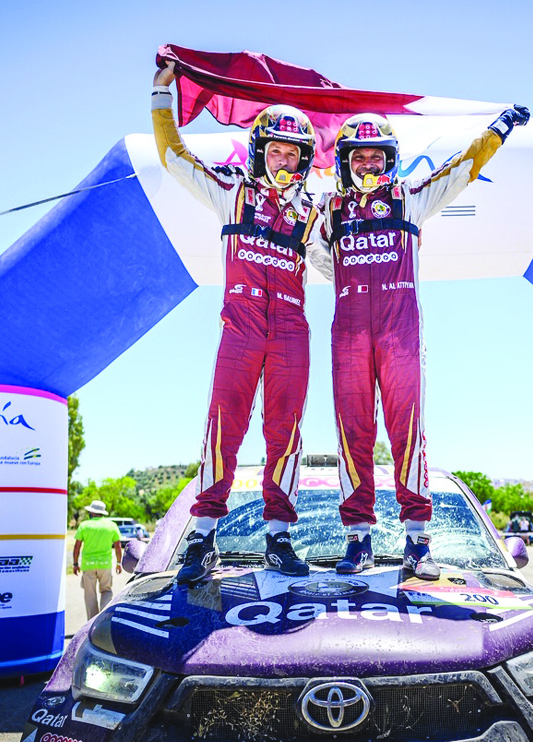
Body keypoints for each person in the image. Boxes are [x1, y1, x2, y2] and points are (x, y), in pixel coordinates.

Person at [308, 105, 530, 581]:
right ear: (345, 162)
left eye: (376, 157)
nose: (368, 165)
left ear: (390, 159)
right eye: (358, 157)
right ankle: (358, 540)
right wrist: (346, 277)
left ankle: (417, 542)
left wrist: (498, 130)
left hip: (401, 333)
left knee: (408, 435)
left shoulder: (409, 198)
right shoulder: (328, 209)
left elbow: (461, 169)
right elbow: (315, 253)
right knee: (353, 436)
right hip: (349, 334)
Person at [152, 62, 320, 585]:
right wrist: (161, 95)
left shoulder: (312, 214)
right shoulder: (232, 194)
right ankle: (202, 536)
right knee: (223, 428)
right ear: (259, 152)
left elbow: (342, 266)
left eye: (293, 154)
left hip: (291, 331)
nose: (284, 161)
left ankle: (278, 537)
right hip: (240, 328)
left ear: (304, 160)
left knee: (284, 434)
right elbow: (174, 157)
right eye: (276, 151)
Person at [73, 500, 123, 620]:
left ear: (92, 512)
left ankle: (91, 622)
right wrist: (118, 563)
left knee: (90, 595)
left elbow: (77, 546)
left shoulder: (84, 525)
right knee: (106, 591)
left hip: (88, 565)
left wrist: (75, 564)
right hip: (105, 565)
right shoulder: (111, 525)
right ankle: (104, 619)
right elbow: (118, 546)